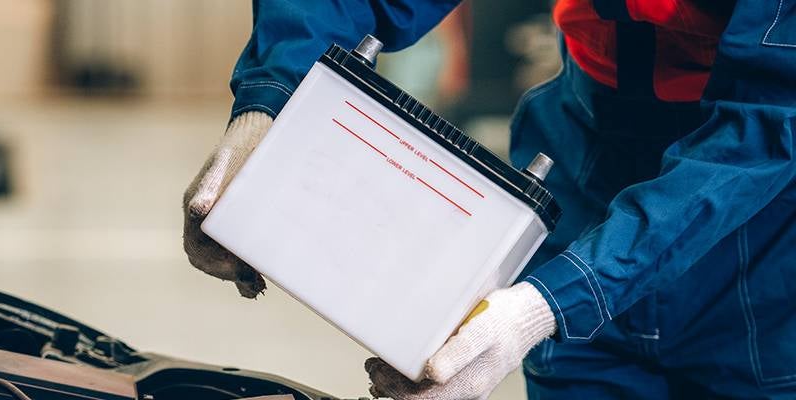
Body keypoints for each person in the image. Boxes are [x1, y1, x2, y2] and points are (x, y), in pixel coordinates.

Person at [183, 0, 796, 398]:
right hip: (582, 155)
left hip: (755, 227)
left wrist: (543, 305)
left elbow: (763, 126)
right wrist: (270, 98)